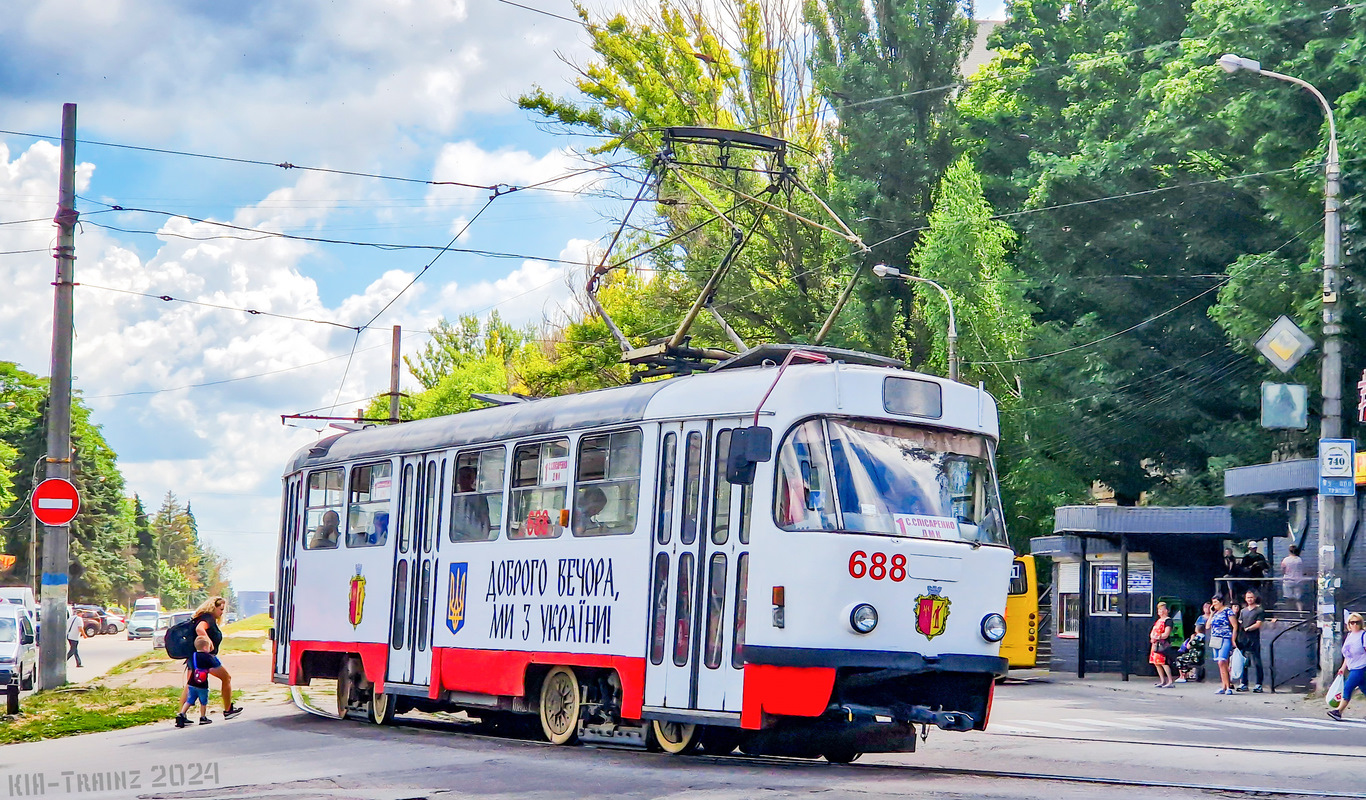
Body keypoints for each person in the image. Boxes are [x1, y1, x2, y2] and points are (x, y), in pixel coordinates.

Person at [182, 596, 242, 719]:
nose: (221, 612)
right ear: (213, 607)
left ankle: (181, 715)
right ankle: (228, 710)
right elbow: (200, 629)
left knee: (190, 685)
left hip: (194, 658)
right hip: (206, 658)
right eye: (220, 609)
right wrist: (208, 643)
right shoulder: (208, 618)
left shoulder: (201, 617)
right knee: (226, 678)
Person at [175, 636, 220, 728]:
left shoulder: (194, 655)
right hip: (202, 684)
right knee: (203, 701)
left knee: (189, 700)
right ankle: (203, 717)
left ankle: (181, 714)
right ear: (205, 647)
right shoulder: (207, 657)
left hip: (192, 682)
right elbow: (215, 666)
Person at [1329, 613, 1366, 721]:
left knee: (1347, 687)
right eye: (1352, 622)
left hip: (1361, 667)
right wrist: (1343, 668)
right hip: (1352, 666)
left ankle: (1338, 711)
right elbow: (1348, 654)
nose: (1354, 625)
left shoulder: (1363, 635)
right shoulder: (1350, 636)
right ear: (1348, 624)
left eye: (1357, 622)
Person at [1235, 590, 1265, 693]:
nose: (1249, 599)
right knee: (1243, 662)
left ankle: (1258, 684)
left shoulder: (1259, 610)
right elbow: (1239, 622)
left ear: (1255, 598)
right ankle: (1243, 683)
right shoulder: (1243, 611)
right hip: (1243, 640)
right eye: (1248, 598)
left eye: (1251, 597)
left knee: (1257, 662)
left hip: (1254, 639)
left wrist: (1248, 628)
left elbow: (1259, 624)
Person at [451, 466, 491, 541]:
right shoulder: (454, 498)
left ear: (471, 480)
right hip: (456, 538)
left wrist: (483, 539)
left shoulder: (479, 497)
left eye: (465, 477)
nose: (461, 481)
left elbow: (485, 519)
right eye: (460, 477)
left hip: (474, 537)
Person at [1207, 595, 1237, 694]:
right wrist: (1211, 613)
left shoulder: (1227, 611)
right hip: (1215, 639)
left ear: (1221, 602)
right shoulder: (1215, 613)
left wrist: (1233, 639)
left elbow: (1234, 625)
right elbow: (1207, 626)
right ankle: (1223, 685)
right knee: (1220, 663)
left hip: (1225, 638)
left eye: (1215, 602)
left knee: (1222, 661)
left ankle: (1228, 686)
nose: (1214, 604)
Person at [1149, 601, 1176, 688]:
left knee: (1164, 662)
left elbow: (1166, 634)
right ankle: (1162, 680)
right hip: (1155, 644)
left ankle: (1170, 681)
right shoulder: (1158, 620)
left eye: (1162, 609)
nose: (1160, 611)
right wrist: (1152, 637)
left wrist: (1157, 637)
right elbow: (1153, 631)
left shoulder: (1168, 621)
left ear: (1166, 610)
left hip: (1163, 644)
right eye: (1159, 609)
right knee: (1156, 663)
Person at [1280, 545, 1307, 612]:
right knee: (1298, 599)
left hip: (1288, 581)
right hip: (1298, 581)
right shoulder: (1299, 560)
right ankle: (1300, 612)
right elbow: (1303, 570)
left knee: (1288, 598)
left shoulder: (1286, 560)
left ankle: (1290, 612)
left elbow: (1282, 570)